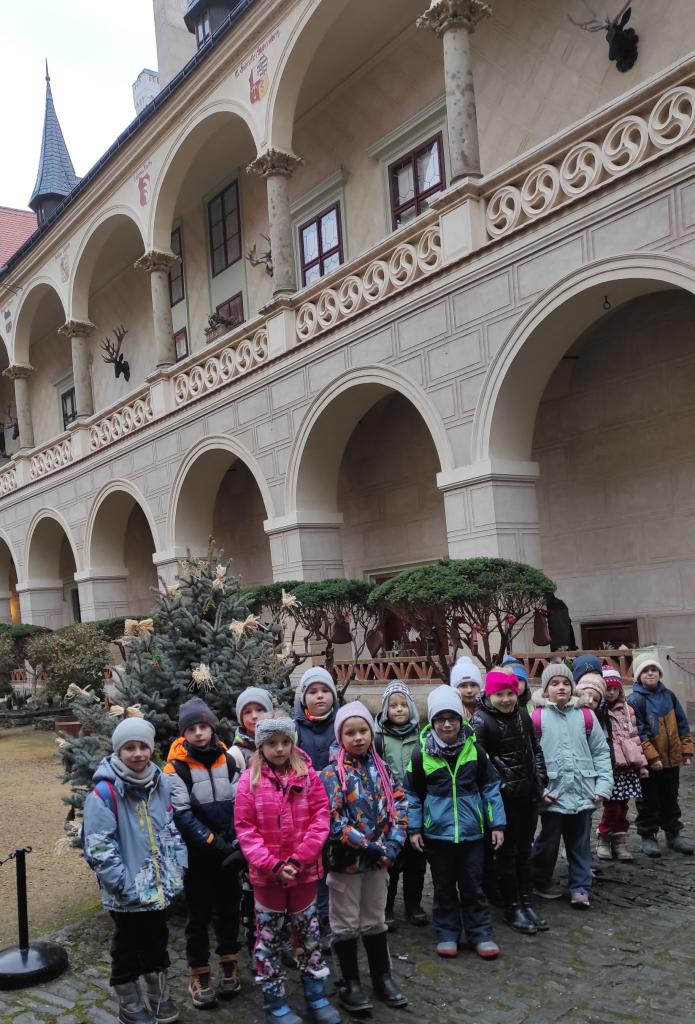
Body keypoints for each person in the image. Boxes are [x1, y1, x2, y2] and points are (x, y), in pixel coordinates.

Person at [234, 715, 339, 1024]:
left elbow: (320, 819)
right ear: (261, 746)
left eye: (284, 742)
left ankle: (315, 994)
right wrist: (272, 864)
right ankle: (275, 1002)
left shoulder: (308, 776)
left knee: (308, 934)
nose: (279, 749)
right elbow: (245, 829)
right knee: (269, 938)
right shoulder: (249, 781)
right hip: (267, 877)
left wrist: (298, 860)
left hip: (303, 873)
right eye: (272, 743)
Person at [83, 717, 187, 1024]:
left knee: (157, 940)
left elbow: (171, 828)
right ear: (119, 751)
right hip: (126, 891)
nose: (138, 753)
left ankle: (159, 995)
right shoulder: (104, 793)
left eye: (143, 746)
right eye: (130, 748)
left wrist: (178, 867)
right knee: (127, 947)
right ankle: (129, 1003)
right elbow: (100, 848)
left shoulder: (161, 784)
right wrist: (123, 886)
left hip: (159, 885)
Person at [405, 685, 505, 960]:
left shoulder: (476, 753)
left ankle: (480, 933)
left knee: (473, 886)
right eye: (440, 719)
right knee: (444, 887)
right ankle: (447, 932)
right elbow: (412, 795)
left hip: (472, 835)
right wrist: (414, 828)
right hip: (438, 836)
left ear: (461, 720)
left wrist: (497, 825)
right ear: (432, 722)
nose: (447, 724)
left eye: (452, 718)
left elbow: (491, 789)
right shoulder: (420, 755)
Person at [321, 701, 408, 1013]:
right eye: (350, 733)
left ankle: (382, 976)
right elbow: (332, 818)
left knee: (374, 917)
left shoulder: (383, 769)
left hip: (378, 861)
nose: (358, 738)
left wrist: (393, 844)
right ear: (340, 736)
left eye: (363, 731)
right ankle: (350, 982)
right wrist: (363, 844)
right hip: (346, 863)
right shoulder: (331, 774)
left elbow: (400, 806)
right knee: (345, 922)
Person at [164, 698, 244, 1010]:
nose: (198, 733)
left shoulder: (230, 761)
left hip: (229, 852)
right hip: (199, 856)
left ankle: (229, 962)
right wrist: (216, 843)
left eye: (203, 727)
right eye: (192, 728)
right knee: (198, 917)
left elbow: (242, 804)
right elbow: (182, 815)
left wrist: (235, 843)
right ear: (184, 733)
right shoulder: (176, 768)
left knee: (229, 911)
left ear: (212, 728)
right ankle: (199, 973)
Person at [472, 670, 549, 934]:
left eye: (510, 694)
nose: (505, 699)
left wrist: (540, 778)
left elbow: (535, 749)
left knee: (524, 850)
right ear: (489, 695)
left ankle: (526, 902)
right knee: (507, 853)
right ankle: (512, 905)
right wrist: (504, 788)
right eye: (499, 694)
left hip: (528, 795)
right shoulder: (481, 722)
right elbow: (482, 764)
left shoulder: (523, 715)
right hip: (504, 800)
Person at [530, 664, 613, 908]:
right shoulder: (537, 718)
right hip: (553, 794)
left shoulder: (586, 716)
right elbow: (529, 758)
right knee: (548, 842)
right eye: (554, 684)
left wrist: (603, 785)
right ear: (546, 690)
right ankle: (540, 880)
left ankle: (580, 886)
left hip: (582, 791)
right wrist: (540, 790)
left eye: (566, 683)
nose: (561, 688)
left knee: (580, 843)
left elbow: (601, 752)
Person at [627, 653, 693, 857]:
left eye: (653, 669)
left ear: (659, 673)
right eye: (645, 671)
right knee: (648, 800)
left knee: (670, 798)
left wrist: (686, 750)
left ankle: (673, 833)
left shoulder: (669, 696)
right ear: (638, 676)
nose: (650, 673)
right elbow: (638, 731)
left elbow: (682, 724)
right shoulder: (635, 700)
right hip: (649, 763)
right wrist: (653, 757)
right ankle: (648, 835)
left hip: (672, 759)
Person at [374, 682, 427, 927]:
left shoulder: (421, 735)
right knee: (392, 860)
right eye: (393, 705)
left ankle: (413, 904)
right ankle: (386, 906)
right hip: (391, 809)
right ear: (385, 708)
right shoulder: (378, 737)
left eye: (403, 705)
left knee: (417, 859)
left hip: (416, 806)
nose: (398, 709)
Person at [294, 666, 339, 939]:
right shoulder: (294, 729)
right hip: (305, 809)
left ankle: (337, 915)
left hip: (340, 807)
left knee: (336, 862)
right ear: (303, 698)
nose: (319, 696)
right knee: (315, 862)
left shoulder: (341, 724)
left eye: (325, 691)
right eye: (313, 692)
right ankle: (317, 917)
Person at [595, 667, 648, 862]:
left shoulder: (627, 710)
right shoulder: (599, 711)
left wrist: (642, 765)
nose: (611, 693)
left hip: (628, 767)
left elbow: (635, 738)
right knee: (612, 807)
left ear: (619, 690)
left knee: (623, 807)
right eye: (607, 689)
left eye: (614, 689)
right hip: (611, 767)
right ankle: (604, 837)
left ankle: (620, 842)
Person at [233, 687, 274, 769]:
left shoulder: (283, 743)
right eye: (247, 712)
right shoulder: (236, 754)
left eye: (259, 710)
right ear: (241, 718)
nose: (254, 716)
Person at [450, 656, 482, 720]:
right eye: (463, 686)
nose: (469, 690)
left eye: (473, 685)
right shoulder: (451, 713)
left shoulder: (488, 709)